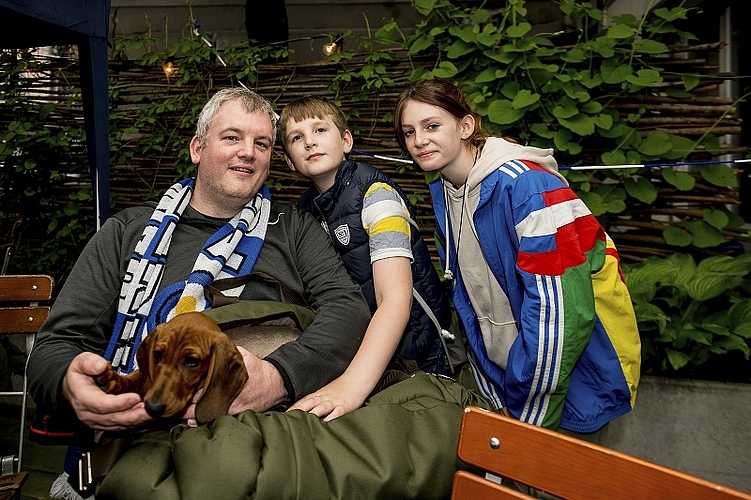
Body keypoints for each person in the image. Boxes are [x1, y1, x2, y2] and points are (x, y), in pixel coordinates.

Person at [27, 87, 371, 436]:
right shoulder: (127, 232)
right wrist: (69, 385)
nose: (247, 152)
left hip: (270, 432)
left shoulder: (294, 228)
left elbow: (348, 308)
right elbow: (56, 346)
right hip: (142, 436)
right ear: (197, 148)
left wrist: (279, 377)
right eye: (231, 137)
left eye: (262, 144)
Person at [393, 79, 641, 436]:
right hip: (509, 381)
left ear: (466, 126)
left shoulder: (527, 187)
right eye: (409, 131)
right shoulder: (445, 190)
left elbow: (561, 312)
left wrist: (529, 409)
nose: (419, 140)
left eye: (432, 126)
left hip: (573, 380)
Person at [277, 96, 454, 421]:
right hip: (361, 342)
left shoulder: (376, 196)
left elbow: (394, 298)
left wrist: (352, 385)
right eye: (296, 138)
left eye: (319, 129)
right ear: (290, 161)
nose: (310, 142)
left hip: (416, 345)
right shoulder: (306, 213)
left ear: (346, 141)